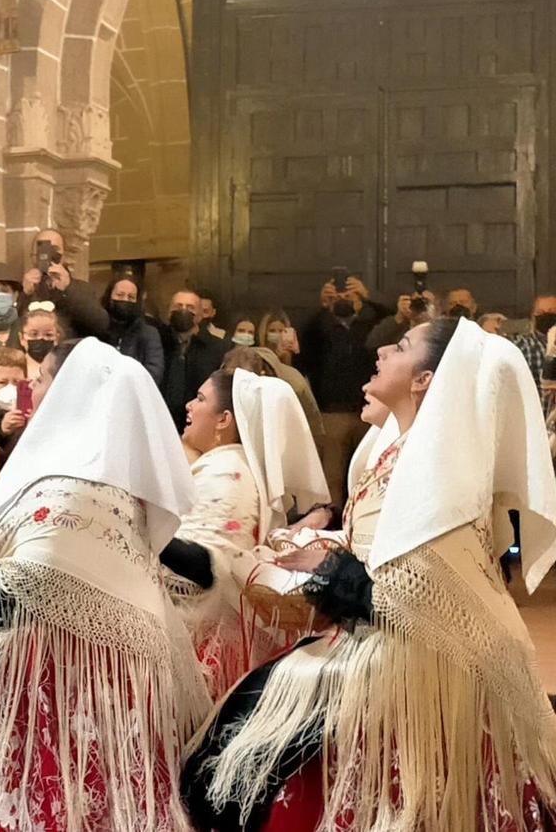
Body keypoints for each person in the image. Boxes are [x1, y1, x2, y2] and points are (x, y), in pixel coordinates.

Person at [183, 318, 556, 832]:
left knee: (244, 751)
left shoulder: (437, 463)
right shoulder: (404, 451)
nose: (380, 350)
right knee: (233, 743)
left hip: (414, 657)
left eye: (401, 346)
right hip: (377, 635)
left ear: (424, 379)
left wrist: (332, 569)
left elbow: (415, 590)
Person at [0, 338, 210, 831]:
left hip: (54, 669)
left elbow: (37, 576)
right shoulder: (113, 481)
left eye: (46, 378)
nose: (36, 389)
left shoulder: (73, 482)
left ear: (76, 390)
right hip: (102, 674)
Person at [167, 369, 329, 697]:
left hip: (195, 646)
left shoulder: (226, 474)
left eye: (200, 399)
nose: (189, 405)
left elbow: (203, 569)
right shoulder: (226, 467)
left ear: (224, 418)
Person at [299, 272, 390, 506]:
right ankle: (332, 519)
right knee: (332, 477)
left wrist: (369, 299)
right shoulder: (321, 327)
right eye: (337, 296)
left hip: (368, 411)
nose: (343, 300)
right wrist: (322, 306)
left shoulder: (369, 326)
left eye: (348, 295)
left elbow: (390, 321)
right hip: (331, 412)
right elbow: (304, 341)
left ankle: (365, 513)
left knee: (369, 469)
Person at [222, 346, 325, 458]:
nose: (238, 388)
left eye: (244, 385)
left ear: (261, 375)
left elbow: (312, 431)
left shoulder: (294, 387)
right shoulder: (226, 378)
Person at [17, 229, 109, 339]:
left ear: (63, 256)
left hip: (69, 352)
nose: (49, 255)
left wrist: (68, 288)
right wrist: (25, 295)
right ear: (33, 257)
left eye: (55, 250)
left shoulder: (82, 288)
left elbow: (100, 325)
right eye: (43, 249)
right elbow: (10, 329)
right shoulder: (22, 290)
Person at [161, 289, 228, 434]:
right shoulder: (156, 343)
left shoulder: (217, 349)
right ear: (169, 312)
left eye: (190, 308)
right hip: (161, 423)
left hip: (199, 427)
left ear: (200, 315)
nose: (183, 311)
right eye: (178, 306)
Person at [102, 274, 165, 385]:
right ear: (109, 297)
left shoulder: (149, 334)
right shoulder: (97, 328)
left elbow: (154, 374)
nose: (125, 300)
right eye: (120, 295)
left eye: (131, 297)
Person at [512, 294, 556, 399]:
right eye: (540, 313)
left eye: (552, 312)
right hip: (538, 411)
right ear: (533, 316)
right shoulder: (522, 346)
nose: (546, 316)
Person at [365, 289, 436, 351]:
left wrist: (433, 317)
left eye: (425, 303)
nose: (419, 306)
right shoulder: (401, 325)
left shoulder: (438, 326)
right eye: (415, 302)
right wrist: (399, 318)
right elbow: (371, 342)